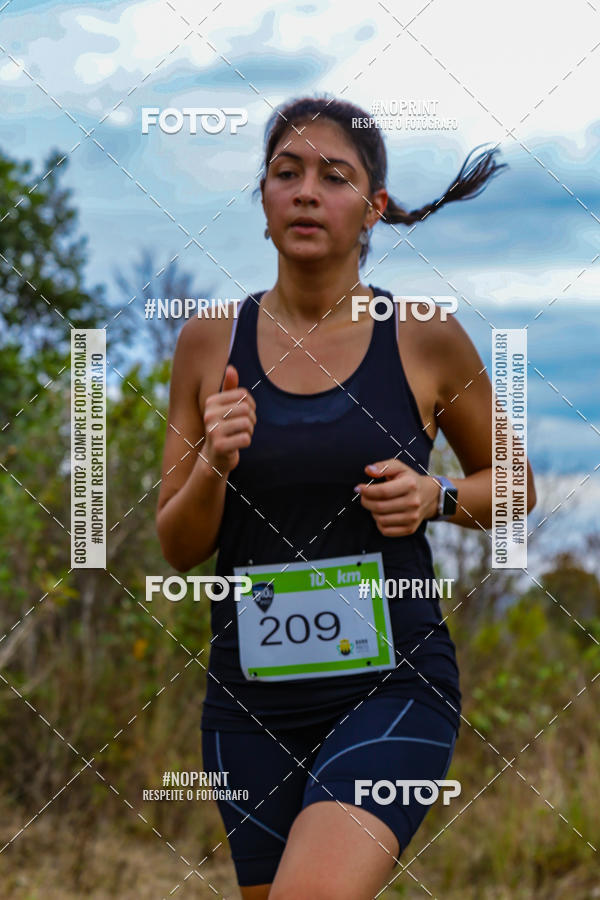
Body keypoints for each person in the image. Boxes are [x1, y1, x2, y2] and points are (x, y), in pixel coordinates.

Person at [156, 96, 537, 900]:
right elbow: (177, 545)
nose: (304, 191)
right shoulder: (206, 341)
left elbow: (515, 483)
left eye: (334, 177)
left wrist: (435, 496)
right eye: (285, 173)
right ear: (262, 201)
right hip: (247, 701)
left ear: (372, 210)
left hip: (391, 685)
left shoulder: (423, 334)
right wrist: (215, 465)